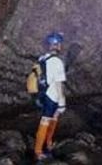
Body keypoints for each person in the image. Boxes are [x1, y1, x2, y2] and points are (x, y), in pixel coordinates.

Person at [33, 32, 67, 161]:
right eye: (59, 44)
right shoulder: (57, 62)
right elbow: (59, 84)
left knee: (50, 118)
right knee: (47, 120)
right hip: (53, 96)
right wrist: (62, 101)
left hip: (43, 94)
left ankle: (47, 145)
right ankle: (38, 151)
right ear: (56, 45)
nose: (60, 46)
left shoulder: (42, 58)